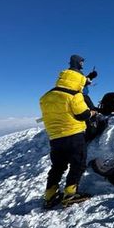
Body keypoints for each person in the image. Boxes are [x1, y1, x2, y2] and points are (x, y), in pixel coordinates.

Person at [39, 55, 98, 208]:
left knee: (57, 167)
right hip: (74, 136)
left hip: (55, 138)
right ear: (77, 80)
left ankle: (50, 196)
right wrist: (93, 113)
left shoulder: (46, 96)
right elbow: (83, 115)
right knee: (78, 164)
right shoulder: (74, 95)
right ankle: (70, 194)